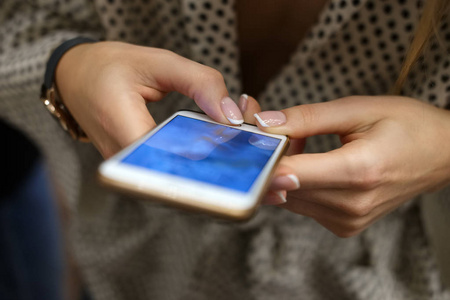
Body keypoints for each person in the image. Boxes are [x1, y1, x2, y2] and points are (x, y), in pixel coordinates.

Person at [0, 0, 449, 299]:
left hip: (369, 279)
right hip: (135, 264)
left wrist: (443, 147)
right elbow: (17, 18)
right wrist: (69, 64)